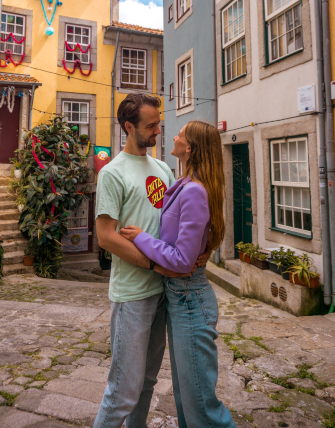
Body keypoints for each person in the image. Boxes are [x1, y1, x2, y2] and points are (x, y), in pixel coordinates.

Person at [93, 94, 209, 428]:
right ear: (129, 127)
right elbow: (106, 236)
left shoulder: (161, 168)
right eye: (151, 125)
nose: (159, 130)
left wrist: (203, 247)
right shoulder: (112, 174)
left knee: (146, 384)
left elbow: (180, 220)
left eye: (159, 123)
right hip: (132, 294)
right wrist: (155, 265)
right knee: (121, 393)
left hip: (166, 292)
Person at [120, 121, 236, 428]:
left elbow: (184, 259)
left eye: (180, 135)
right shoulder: (184, 183)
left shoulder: (194, 191)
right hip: (180, 298)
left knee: (200, 404)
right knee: (187, 398)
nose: (173, 135)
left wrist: (140, 238)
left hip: (190, 299)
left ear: (191, 148)